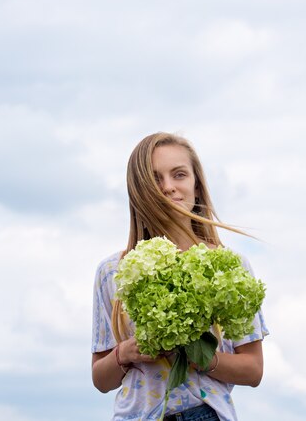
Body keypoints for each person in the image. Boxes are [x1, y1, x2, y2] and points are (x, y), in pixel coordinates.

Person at [92, 132, 268, 421]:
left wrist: (199, 356)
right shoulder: (113, 271)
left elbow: (253, 370)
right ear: (139, 191)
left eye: (179, 175)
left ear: (196, 186)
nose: (169, 187)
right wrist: (126, 352)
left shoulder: (228, 267)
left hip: (205, 414)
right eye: (155, 179)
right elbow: (100, 379)